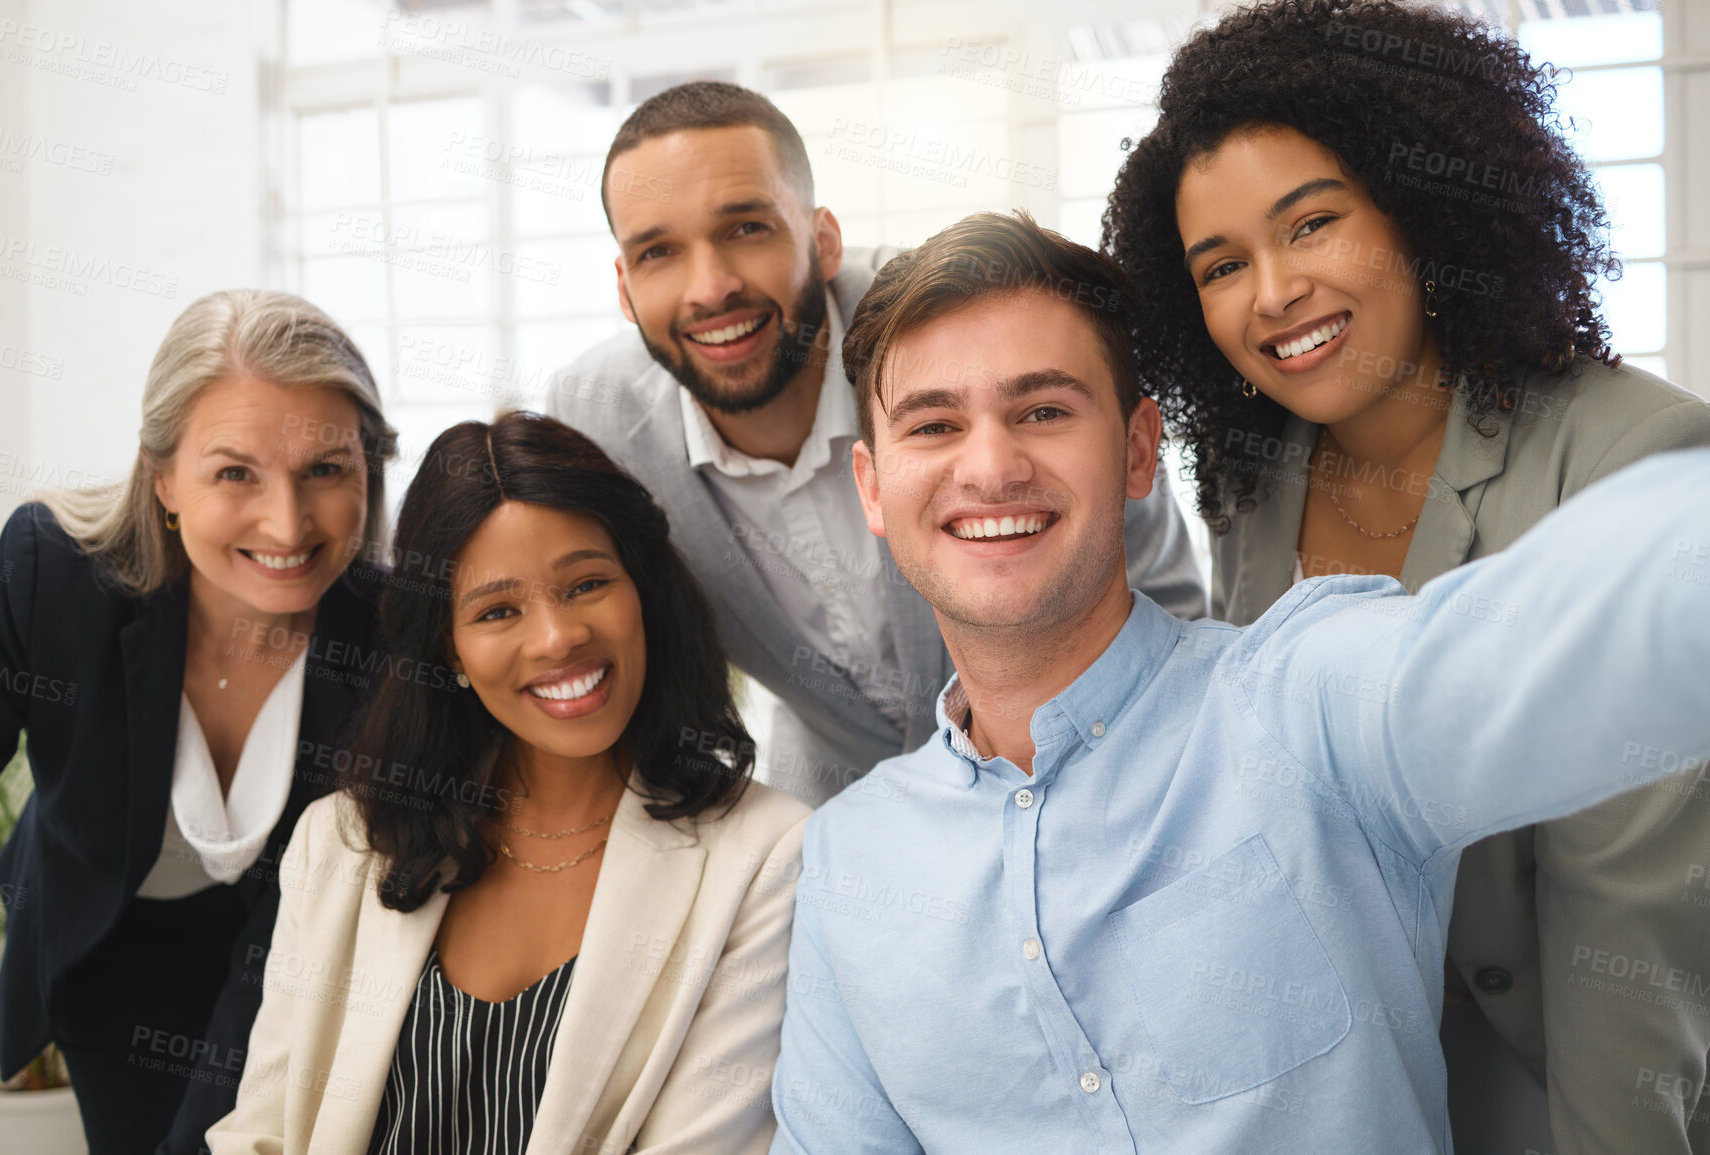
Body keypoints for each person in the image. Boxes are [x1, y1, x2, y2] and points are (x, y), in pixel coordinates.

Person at [767, 210, 1710, 1154]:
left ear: (1138, 450)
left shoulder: (1302, 699)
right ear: (873, 486)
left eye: (1043, 411)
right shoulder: (848, 864)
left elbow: (1583, 642)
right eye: (934, 424)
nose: (991, 465)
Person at [1099, 2, 1710, 1149]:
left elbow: (1628, 929)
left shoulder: (1641, 458)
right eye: (1222, 265)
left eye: (1313, 224)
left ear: (1422, 211)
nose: (1272, 292)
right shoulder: (1252, 486)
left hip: (1586, 1071)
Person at [547, 80, 1204, 805]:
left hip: (1100, 761)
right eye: (658, 251)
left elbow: (1164, 596)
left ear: (822, 239)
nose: (710, 288)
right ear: (623, 285)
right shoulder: (595, 417)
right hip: (836, 795)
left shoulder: (954, 326)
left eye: (746, 229)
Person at [208, 412, 808, 1154]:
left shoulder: (769, 856)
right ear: (448, 648)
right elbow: (260, 1130)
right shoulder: (338, 842)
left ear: (643, 592)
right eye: (496, 610)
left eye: (587, 583)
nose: (557, 637)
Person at [0, 291, 397, 1153]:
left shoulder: (396, 638)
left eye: (325, 468)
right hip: (107, 939)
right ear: (163, 476)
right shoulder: (49, 571)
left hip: (294, 961)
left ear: (369, 468)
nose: (286, 524)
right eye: (234, 472)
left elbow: (300, 931)